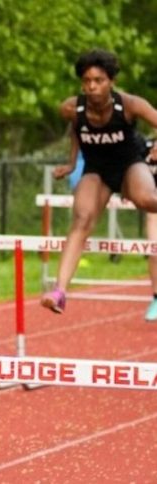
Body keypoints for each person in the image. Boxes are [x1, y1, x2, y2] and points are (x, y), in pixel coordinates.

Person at [41, 49, 157, 314]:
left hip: (130, 164)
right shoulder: (71, 108)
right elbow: (75, 132)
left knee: (147, 199)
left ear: (111, 81)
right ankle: (59, 291)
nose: (92, 87)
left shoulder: (129, 105)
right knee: (81, 219)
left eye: (98, 80)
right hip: (97, 170)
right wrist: (71, 164)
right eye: (87, 81)